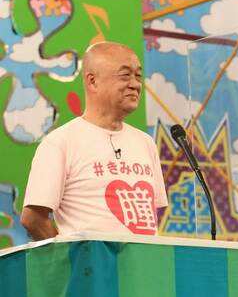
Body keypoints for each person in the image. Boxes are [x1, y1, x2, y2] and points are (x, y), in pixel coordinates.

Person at [21, 41, 168, 239]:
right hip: (89, 260)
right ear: (92, 81)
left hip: (144, 259)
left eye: (138, 76)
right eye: (125, 75)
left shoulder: (146, 143)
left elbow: (152, 217)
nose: (135, 84)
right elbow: (32, 219)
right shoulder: (61, 142)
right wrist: (71, 255)